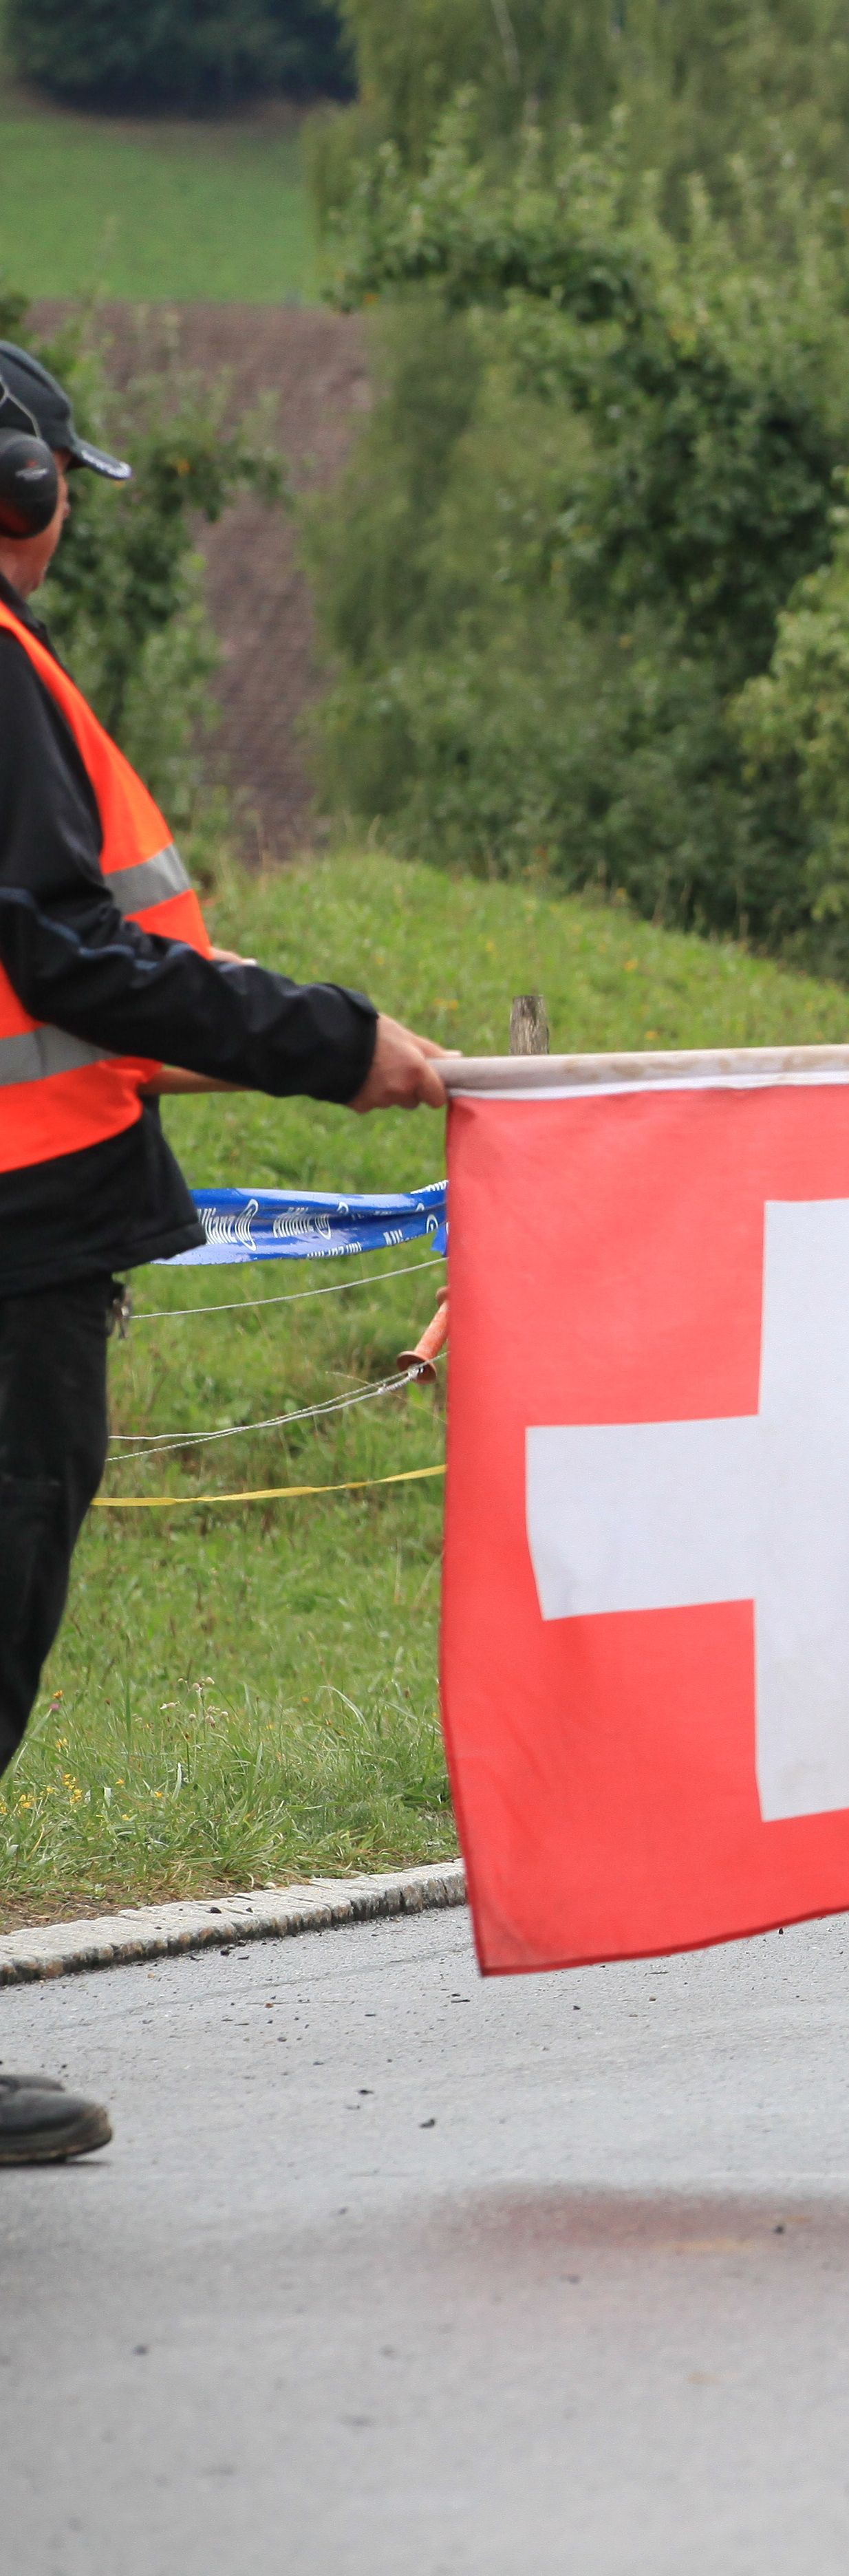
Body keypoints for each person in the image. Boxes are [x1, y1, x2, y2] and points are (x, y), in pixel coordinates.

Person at [0, 344, 451, 2167]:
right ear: (14, 486)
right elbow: (60, 961)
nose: (63, 533)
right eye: (55, 496)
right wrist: (326, 1044)